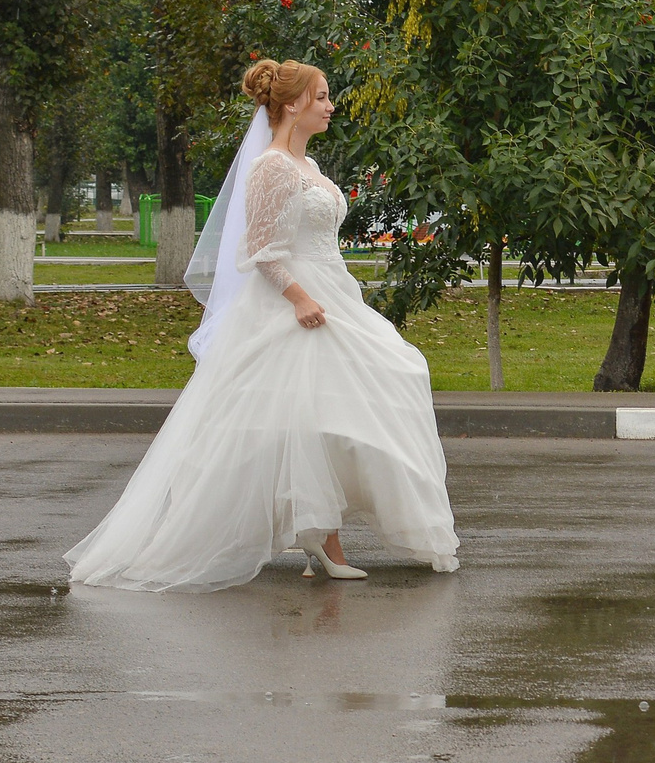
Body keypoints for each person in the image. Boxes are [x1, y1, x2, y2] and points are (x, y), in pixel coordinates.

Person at [66, 59, 461, 593]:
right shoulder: (271, 167)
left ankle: (319, 534)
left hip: (331, 292)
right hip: (293, 302)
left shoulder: (308, 164)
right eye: (321, 97)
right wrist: (299, 298)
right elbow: (262, 251)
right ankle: (320, 537)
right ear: (293, 104)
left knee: (348, 403)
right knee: (310, 415)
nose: (330, 106)